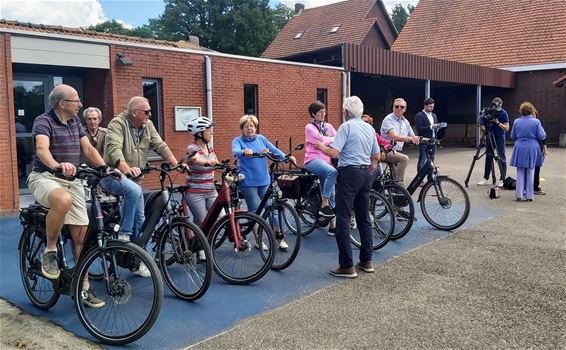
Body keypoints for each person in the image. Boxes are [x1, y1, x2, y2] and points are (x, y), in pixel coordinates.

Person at [27, 84, 106, 307]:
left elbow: (88, 150)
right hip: (45, 176)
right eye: (76, 101)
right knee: (63, 200)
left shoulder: (75, 122)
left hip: (71, 180)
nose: (80, 104)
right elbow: (42, 149)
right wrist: (56, 165)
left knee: (81, 238)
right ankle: (50, 250)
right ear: (63, 104)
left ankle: (84, 287)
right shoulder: (44, 121)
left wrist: (106, 168)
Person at [104, 96, 184, 276]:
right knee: (132, 193)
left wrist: (175, 163)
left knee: (140, 220)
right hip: (113, 175)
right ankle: (124, 235)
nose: (150, 114)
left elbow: (159, 144)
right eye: (146, 112)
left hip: (135, 178)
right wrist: (125, 168)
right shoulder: (117, 124)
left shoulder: (147, 126)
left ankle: (135, 258)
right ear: (134, 112)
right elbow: (114, 148)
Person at [315, 96, 381, 278]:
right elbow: (377, 155)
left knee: (343, 219)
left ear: (346, 112)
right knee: (364, 218)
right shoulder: (369, 128)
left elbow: (334, 152)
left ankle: (346, 265)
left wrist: (321, 147)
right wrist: (369, 167)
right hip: (364, 174)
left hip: (349, 173)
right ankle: (367, 261)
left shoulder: (346, 127)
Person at [232, 115, 296, 250]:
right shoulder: (238, 141)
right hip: (248, 181)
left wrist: (287, 157)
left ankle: (279, 237)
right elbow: (236, 152)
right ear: (242, 128)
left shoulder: (261, 139)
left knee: (271, 208)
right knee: (254, 211)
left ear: (255, 127)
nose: (249, 128)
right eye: (246, 126)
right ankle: (258, 240)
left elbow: (274, 150)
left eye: (252, 126)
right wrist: (244, 151)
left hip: (264, 180)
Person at [303, 101, 337, 234]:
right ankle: (324, 203)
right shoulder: (309, 127)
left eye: (324, 111)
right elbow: (320, 140)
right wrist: (329, 139)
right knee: (332, 172)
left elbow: (337, 137)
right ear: (313, 113)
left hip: (327, 160)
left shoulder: (328, 126)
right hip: (313, 160)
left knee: (333, 192)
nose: (323, 114)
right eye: (320, 112)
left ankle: (332, 225)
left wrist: (326, 139)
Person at [184, 116, 218, 226]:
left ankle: (203, 239)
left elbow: (216, 163)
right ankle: (195, 240)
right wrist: (206, 162)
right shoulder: (192, 148)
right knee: (203, 223)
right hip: (195, 193)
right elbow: (196, 159)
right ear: (199, 133)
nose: (211, 133)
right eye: (208, 131)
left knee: (220, 217)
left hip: (211, 191)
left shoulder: (209, 147)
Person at [509, 102, 546, 201]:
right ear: (531, 110)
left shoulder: (516, 121)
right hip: (532, 146)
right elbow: (542, 136)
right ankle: (529, 196)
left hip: (519, 146)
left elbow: (513, 136)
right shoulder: (536, 122)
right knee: (530, 170)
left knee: (520, 171)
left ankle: (519, 195)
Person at [380, 98, 420, 187]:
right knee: (404, 159)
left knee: (394, 177)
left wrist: (421, 139)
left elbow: (413, 136)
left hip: (396, 151)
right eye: (396, 106)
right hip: (385, 151)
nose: (399, 108)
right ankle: (400, 187)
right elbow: (394, 136)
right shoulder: (388, 120)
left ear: (405, 109)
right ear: (393, 108)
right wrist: (409, 139)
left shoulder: (406, 122)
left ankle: (394, 192)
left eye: (402, 107)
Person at [477, 97, 509, 187]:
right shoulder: (489, 112)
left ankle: (502, 179)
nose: (497, 106)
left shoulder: (503, 113)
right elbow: (482, 124)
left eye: (498, 104)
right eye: (495, 104)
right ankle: (486, 178)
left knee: (501, 157)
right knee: (488, 157)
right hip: (489, 136)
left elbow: (507, 128)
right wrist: (484, 129)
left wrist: (498, 123)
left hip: (499, 137)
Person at [415, 98, 441, 179]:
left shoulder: (434, 115)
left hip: (433, 139)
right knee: (422, 160)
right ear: (425, 106)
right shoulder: (419, 116)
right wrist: (431, 126)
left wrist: (437, 127)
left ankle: (430, 178)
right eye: (430, 107)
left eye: (433, 107)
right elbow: (419, 128)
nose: (432, 108)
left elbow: (435, 126)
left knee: (432, 159)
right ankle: (420, 179)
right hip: (424, 141)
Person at [532, 110, 548, 195]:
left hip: (539, 148)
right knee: (531, 168)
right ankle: (532, 187)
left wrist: (545, 148)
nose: (533, 115)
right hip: (533, 148)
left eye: (534, 114)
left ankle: (535, 187)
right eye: (532, 114)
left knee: (537, 168)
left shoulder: (538, 125)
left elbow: (543, 138)